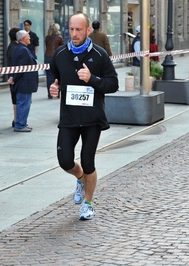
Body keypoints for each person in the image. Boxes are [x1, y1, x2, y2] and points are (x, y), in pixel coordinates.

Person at [49, 13, 119, 220]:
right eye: (71, 29)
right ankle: (80, 178)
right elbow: (54, 76)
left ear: (88, 30)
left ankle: (88, 204)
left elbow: (113, 84)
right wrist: (54, 87)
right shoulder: (60, 54)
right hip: (69, 118)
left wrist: (92, 79)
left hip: (92, 119)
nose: (74, 33)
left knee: (88, 162)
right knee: (64, 161)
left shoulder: (99, 55)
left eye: (79, 29)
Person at [9, 30, 39, 132]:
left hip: (23, 82)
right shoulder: (23, 50)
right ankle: (20, 125)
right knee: (23, 103)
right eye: (28, 36)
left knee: (24, 103)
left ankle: (22, 123)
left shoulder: (20, 48)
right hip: (24, 83)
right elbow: (21, 68)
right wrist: (14, 78)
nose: (30, 38)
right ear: (23, 39)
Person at [44, 23, 64, 99]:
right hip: (55, 57)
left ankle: (49, 94)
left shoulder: (47, 38)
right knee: (57, 75)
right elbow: (62, 48)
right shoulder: (59, 37)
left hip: (47, 57)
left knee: (48, 75)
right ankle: (57, 92)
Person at [6, 27, 20, 128]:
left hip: (12, 75)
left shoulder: (11, 46)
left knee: (15, 99)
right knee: (16, 99)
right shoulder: (15, 48)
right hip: (14, 77)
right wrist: (14, 77)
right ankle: (16, 120)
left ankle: (16, 119)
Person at [131, 25, 141, 90]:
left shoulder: (139, 40)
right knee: (137, 83)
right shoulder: (137, 41)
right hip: (137, 65)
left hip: (138, 65)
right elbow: (138, 55)